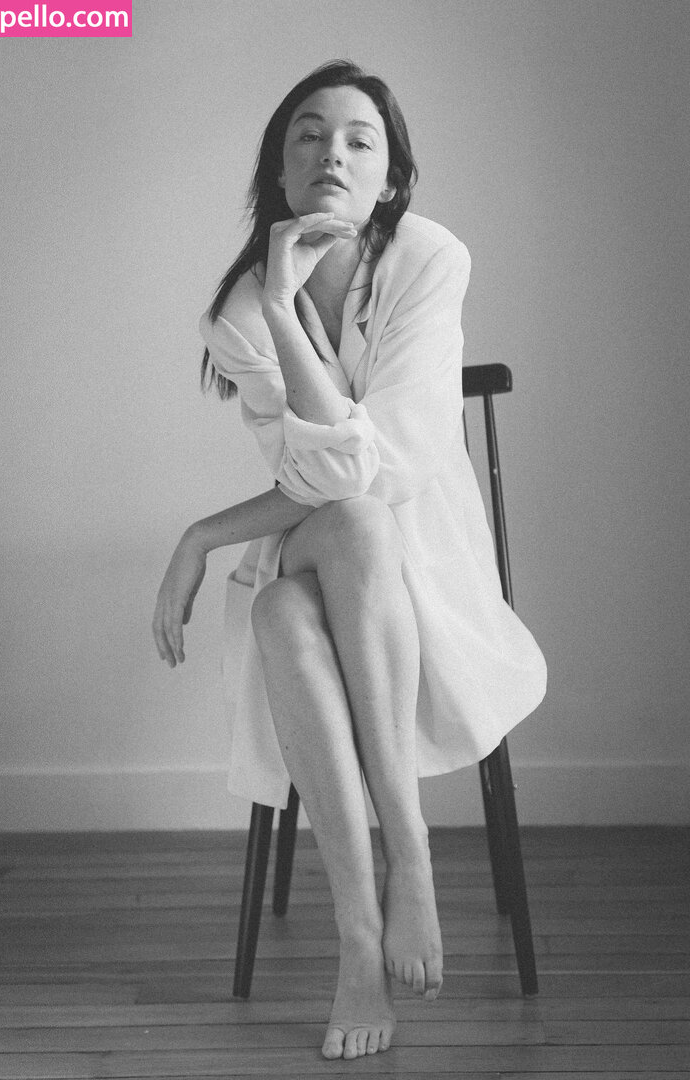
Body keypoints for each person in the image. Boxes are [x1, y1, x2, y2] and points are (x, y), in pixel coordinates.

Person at [153, 60, 546, 1061]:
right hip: (322, 542)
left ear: (391, 178)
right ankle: (383, 897)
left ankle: (381, 898)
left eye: (359, 139)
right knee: (337, 543)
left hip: (424, 559)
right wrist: (285, 311)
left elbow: (380, 470)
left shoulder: (430, 259)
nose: (332, 153)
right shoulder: (242, 313)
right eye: (309, 135)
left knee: (299, 595)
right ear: (279, 176)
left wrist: (203, 535)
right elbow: (327, 478)